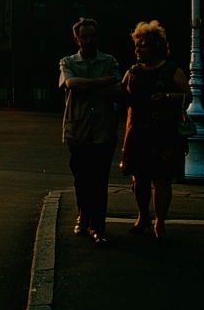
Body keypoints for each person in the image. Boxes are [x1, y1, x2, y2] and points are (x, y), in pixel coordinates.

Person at [120, 20, 189, 241]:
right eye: (137, 46)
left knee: (161, 179)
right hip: (138, 131)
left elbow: (188, 95)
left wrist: (167, 97)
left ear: (156, 47)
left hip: (163, 133)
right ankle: (143, 216)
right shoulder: (133, 71)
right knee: (139, 178)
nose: (138, 50)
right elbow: (120, 93)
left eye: (143, 46)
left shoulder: (171, 70)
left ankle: (160, 220)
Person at [59, 18, 121, 244]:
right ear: (76, 38)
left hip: (104, 130)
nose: (88, 40)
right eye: (83, 36)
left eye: (91, 35)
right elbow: (71, 84)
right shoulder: (67, 61)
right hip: (79, 129)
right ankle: (83, 216)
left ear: (97, 37)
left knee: (100, 180)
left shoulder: (109, 60)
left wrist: (87, 85)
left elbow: (117, 87)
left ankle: (98, 226)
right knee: (82, 179)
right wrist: (101, 82)